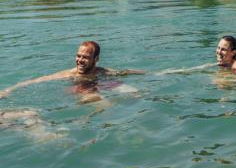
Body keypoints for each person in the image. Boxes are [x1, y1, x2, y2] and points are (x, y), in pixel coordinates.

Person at [0, 41, 143, 99]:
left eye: (85, 57)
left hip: (101, 83)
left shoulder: (102, 72)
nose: (80, 60)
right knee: (100, 102)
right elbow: (37, 80)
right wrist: (10, 89)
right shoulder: (69, 74)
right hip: (81, 88)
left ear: (96, 59)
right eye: (78, 56)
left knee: (136, 93)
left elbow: (125, 72)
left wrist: (159, 73)